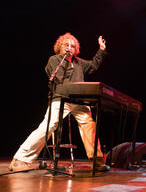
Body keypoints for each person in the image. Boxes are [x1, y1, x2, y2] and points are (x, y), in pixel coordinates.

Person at [9, 33, 109, 172]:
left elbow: (93, 65)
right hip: (61, 97)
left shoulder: (79, 63)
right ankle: (20, 159)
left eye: (72, 46)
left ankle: (97, 160)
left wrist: (101, 50)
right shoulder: (55, 60)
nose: (69, 48)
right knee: (49, 125)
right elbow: (59, 79)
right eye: (66, 45)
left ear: (76, 49)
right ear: (60, 47)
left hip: (79, 101)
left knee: (89, 125)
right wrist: (65, 60)